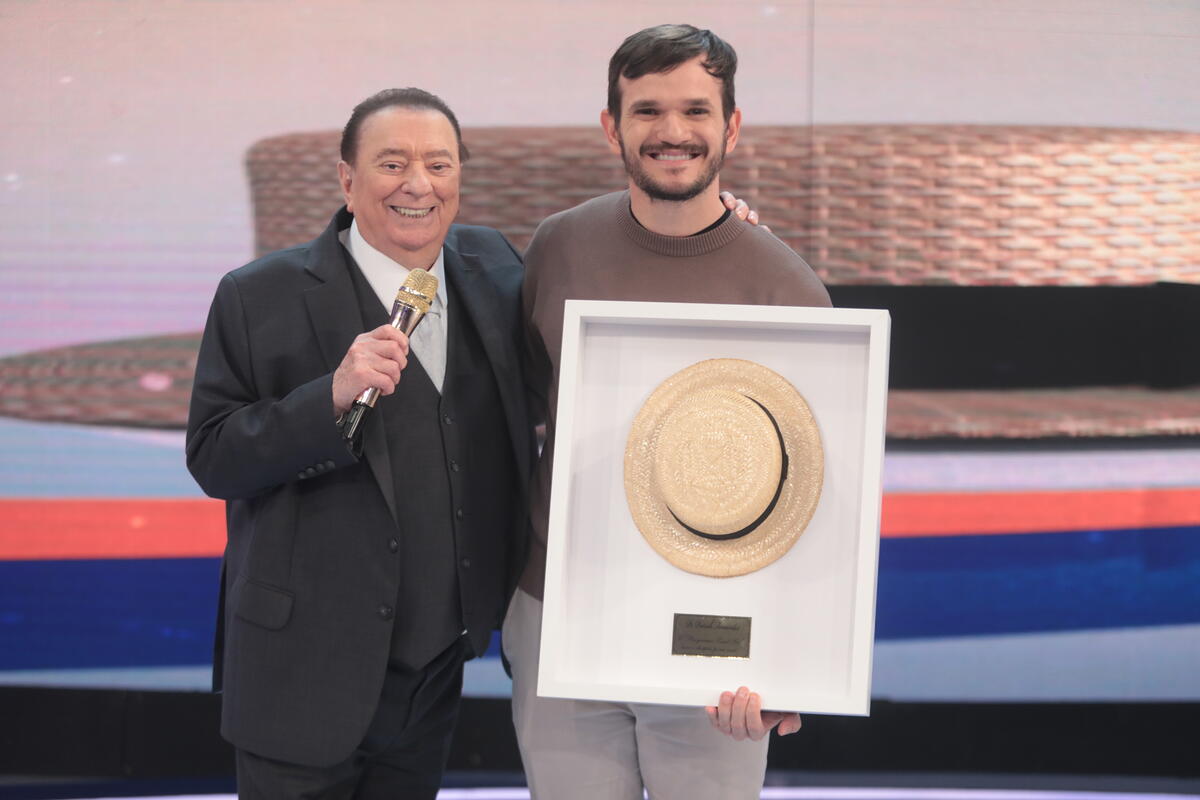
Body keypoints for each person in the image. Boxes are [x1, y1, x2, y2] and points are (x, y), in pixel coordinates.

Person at [504, 24, 832, 800]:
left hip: (717, 640)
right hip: (560, 615)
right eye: (648, 111)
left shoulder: (785, 288)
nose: (673, 132)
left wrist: (795, 660)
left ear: (732, 125)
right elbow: (512, 416)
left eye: (696, 110)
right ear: (613, 126)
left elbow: (817, 500)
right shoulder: (557, 247)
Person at [185, 87, 535, 799]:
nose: (418, 184)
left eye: (439, 164)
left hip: (431, 679)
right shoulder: (259, 295)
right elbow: (215, 456)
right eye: (392, 163)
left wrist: (719, 221)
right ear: (346, 178)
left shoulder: (494, 267)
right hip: (297, 677)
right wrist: (331, 396)